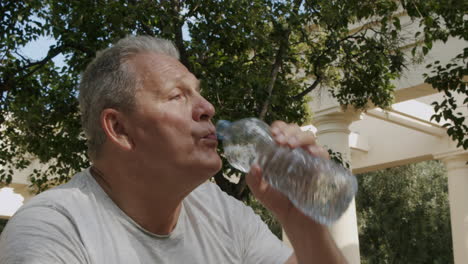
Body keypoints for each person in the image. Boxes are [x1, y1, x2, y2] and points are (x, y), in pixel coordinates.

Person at [0, 36, 346, 264]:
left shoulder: (221, 213)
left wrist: (303, 224)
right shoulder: (53, 229)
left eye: (198, 92)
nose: (207, 107)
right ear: (119, 129)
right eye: (177, 96)